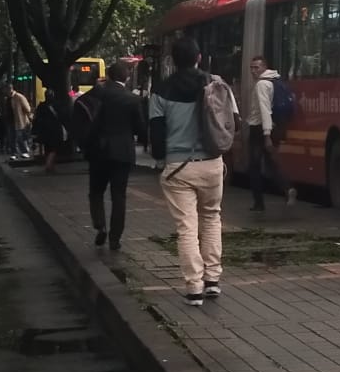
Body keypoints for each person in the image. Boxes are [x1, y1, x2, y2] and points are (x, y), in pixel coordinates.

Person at [150, 37, 236, 306]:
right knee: (211, 218)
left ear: (173, 60)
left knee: (186, 227)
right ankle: (213, 280)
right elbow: (233, 120)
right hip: (212, 164)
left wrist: (162, 157)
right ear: (199, 58)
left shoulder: (161, 90)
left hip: (178, 167)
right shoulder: (216, 83)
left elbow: (156, 135)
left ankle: (194, 288)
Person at [82, 60, 147, 250]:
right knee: (119, 196)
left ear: (109, 76)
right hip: (123, 153)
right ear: (126, 77)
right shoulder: (132, 99)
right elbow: (140, 128)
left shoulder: (98, 95)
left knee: (96, 192)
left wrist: (87, 145)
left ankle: (100, 225)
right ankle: (115, 238)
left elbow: (92, 124)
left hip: (99, 152)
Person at [246, 55, 296, 212]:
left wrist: (266, 135)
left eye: (257, 67)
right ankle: (287, 189)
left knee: (254, 167)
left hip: (260, 130)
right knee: (270, 164)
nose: (254, 71)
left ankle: (258, 203)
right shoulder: (275, 81)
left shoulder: (262, 84)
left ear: (264, 68)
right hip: (272, 128)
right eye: (252, 68)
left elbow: (265, 110)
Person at [32, 97, 65, 173]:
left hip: (44, 131)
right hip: (54, 130)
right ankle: (48, 165)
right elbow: (62, 116)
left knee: (48, 148)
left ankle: (50, 165)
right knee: (54, 149)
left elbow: (37, 118)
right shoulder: (57, 105)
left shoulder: (41, 106)